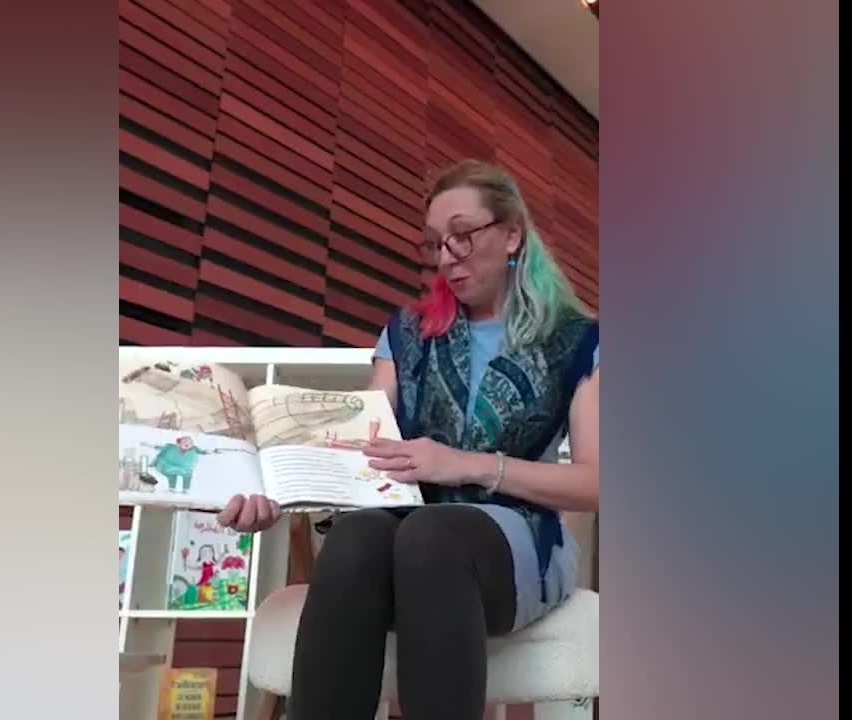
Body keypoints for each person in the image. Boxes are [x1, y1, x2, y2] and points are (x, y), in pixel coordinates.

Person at [217, 159, 600, 720]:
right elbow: (362, 448)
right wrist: (277, 491)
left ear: (512, 234)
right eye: (436, 244)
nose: (446, 258)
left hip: (517, 538)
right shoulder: (406, 334)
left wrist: (467, 464)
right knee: (356, 538)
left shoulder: (577, 340)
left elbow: (595, 484)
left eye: (462, 236)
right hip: (407, 532)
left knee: (432, 534)